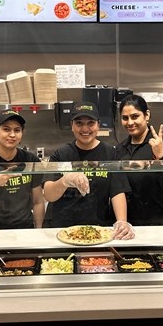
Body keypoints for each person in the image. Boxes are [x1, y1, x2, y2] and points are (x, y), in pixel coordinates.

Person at [42, 102, 134, 239]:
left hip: (97, 230)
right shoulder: (61, 154)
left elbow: (117, 191)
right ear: (72, 125)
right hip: (61, 229)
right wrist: (65, 181)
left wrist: (122, 221)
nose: (85, 128)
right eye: (79, 123)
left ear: (98, 124)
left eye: (90, 123)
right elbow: (48, 194)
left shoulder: (110, 154)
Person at [115, 94, 163, 225]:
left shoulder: (162, 144)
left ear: (147, 115)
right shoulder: (120, 148)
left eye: (135, 116)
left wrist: (160, 157)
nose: (130, 123)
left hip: (155, 221)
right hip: (126, 222)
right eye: (125, 118)